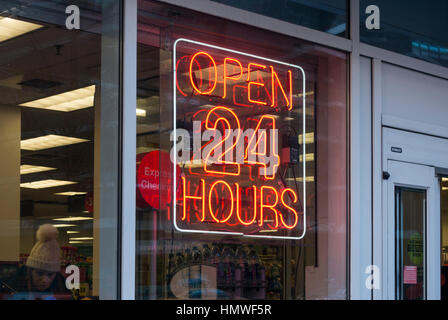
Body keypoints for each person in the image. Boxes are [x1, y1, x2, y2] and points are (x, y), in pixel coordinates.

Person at [0, 224, 72, 300]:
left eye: (50, 274)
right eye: (40, 273)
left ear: (56, 274)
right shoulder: (8, 287)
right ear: (30, 271)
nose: (44, 280)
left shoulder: (62, 288)